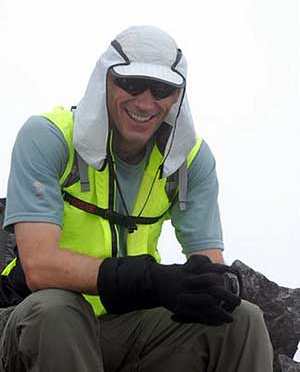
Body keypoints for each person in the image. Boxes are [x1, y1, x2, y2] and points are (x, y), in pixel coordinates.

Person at [0, 25, 273, 371]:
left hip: (122, 326)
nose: (145, 102)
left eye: (161, 89)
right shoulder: (48, 137)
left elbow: (208, 263)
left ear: (177, 96)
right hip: (30, 320)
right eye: (130, 84)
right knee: (59, 311)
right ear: (105, 81)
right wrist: (152, 281)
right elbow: (38, 266)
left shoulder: (188, 163)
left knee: (241, 319)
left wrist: (214, 283)